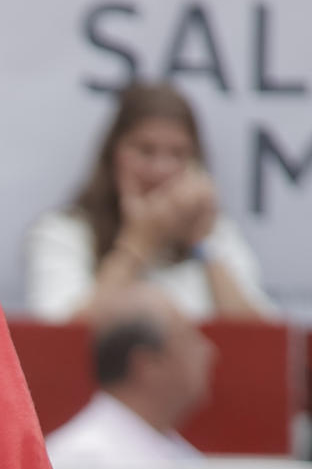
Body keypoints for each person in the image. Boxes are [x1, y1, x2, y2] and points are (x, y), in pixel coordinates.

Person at [26, 82, 273, 323]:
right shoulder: (63, 232)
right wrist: (137, 244)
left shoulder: (216, 234)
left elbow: (263, 344)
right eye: (145, 150)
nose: (160, 170)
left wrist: (202, 245)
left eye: (177, 154)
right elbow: (60, 341)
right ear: (113, 154)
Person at [46, 283, 213, 468]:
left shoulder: (178, 451)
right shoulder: (81, 459)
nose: (208, 350)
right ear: (148, 364)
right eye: (188, 339)